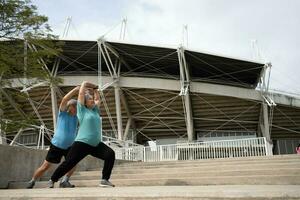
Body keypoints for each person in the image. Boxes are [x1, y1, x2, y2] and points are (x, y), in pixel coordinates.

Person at [48, 81, 115, 188]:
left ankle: (104, 179)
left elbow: (97, 99)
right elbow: (81, 91)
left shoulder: (95, 111)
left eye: (92, 99)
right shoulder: (81, 110)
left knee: (110, 154)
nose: (92, 100)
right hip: (82, 143)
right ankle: (52, 179)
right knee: (69, 163)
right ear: (84, 102)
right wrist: (87, 85)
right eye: (89, 99)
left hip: (95, 144)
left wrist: (96, 89)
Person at [27, 86, 80, 189]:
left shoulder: (76, 116)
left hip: (69, 146)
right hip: (57, 145)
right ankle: (32, 181)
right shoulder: (63, 114)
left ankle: (65, 181)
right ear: (70, 107)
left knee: (73, 164)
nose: (77, 110)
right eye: (76, 108)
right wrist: (75, 90)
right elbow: (64, 99)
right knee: (45, 166)